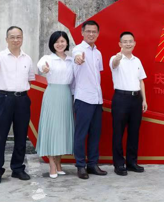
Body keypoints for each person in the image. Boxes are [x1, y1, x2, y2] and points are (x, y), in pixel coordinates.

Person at [0, 26, 35, 185]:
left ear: (22, 38)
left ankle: (18, 168)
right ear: (7, 39)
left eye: (19, 37)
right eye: (12, 37)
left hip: (22, 99)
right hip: (3, 98)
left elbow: (30, 78)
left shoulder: (27, 58)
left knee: (21, 135)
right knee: (0, 136)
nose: (16, 40)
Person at [36, 31, 75, 179]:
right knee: (52, 129)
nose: (60, 44)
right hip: (52, 94)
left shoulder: (71, 60)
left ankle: (59, 163)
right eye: (57, 41)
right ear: (52, 44)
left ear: (66, 43)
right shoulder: (48, 58)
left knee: (62, 130)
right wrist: (44, 69)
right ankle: (52, 164)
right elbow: (41, 66)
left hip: (66, 95)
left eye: (62, 41)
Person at [110, 31, 148, 176]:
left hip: (136, 99)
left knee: (134, 132)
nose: (128, 43)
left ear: (134, 43)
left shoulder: (137, 60)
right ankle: (119, 164)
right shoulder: (115, 58)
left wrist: (144, 100)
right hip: (121, 98)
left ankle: (131, 162)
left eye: (130, 41)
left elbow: (141, 81)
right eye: (125, 41)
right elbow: (114, 64)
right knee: (118, 133)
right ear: (120, 44)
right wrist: (118, 58)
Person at [72, 20, 107, 179]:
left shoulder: (98, 53)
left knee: (95, 133)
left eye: (94, 32)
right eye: (88, 31)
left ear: (98, 34)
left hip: (97, 99)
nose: (91, 34)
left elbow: (97, 74)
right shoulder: (78, 50)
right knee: (81, 134)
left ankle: (93, 164)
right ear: (82, 32)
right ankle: (80, 165)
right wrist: (79, 59)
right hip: (83, 98)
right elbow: (77, 58)